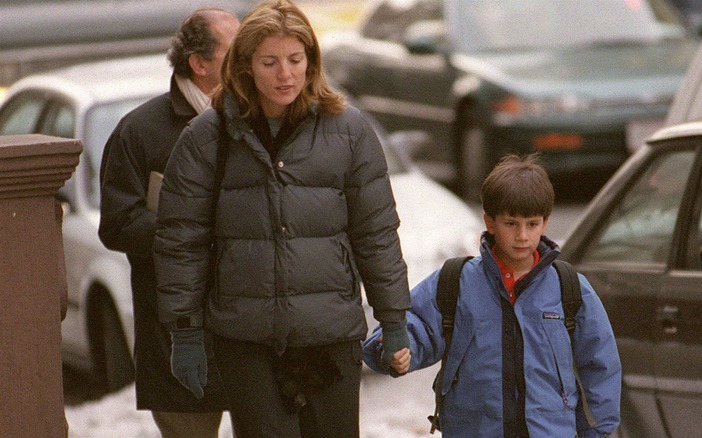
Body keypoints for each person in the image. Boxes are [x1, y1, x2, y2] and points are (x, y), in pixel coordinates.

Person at [152, 1, 411, 437]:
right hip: (247, 340)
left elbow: (377, 234)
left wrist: (394, 320)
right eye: (269, 62)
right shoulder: (206, 137)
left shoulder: (349, 131)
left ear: (311, 62)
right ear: (246, 65)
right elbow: (180, 240)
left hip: (330, 334)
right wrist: (185, 331)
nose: (284, 74)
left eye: (295, 60)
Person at [363, 154, 622, 437]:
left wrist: (596, 432)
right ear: (490, 222)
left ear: (545, 223)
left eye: (532, 224)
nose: (522, 235)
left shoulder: (569, 287)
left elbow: (601, 365)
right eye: (511, 223)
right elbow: (412, 327)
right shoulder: (456, 281)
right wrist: (394, 350)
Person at [98, 8, 240, 438]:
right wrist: (192, 231)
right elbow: (117, 225)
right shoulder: (140, 130)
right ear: (199, 64)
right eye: (237, 53)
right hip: (176, 333)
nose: (251, 63)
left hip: (250, 327)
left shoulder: (256, 120)